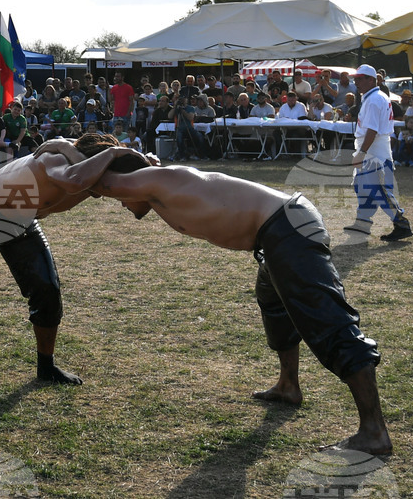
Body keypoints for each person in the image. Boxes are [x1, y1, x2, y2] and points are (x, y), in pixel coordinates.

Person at [88, 157, 392, 456]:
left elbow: (96, 181)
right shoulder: (157, 188)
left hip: (287, 225)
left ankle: (374, 432)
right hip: (276, 232)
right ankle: (288, 386)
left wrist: (70, 149)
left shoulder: (155, 178)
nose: (122, 204)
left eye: (122, 198)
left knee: (328, 322)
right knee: (274, 305)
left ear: (132, 182)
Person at [0, 133, 155, 390]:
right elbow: (73, 180)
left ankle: (46, 367)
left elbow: (139, 206)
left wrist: (146, 169)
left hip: (21, 218)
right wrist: (115, 153)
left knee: (47, 289)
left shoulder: (96, 171)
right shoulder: (56, 159)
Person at [347, 64, 412, 242]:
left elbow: (372, 130)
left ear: (371, 80)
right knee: (362, 187)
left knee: (379, 191)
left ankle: (401, 224)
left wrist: (361, 152)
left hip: (374, 151)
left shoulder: (374, 99)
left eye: (360, 79)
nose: (356, 82)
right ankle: (362, 223)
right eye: (355, 79)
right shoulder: (375, 97)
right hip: (373, 150)